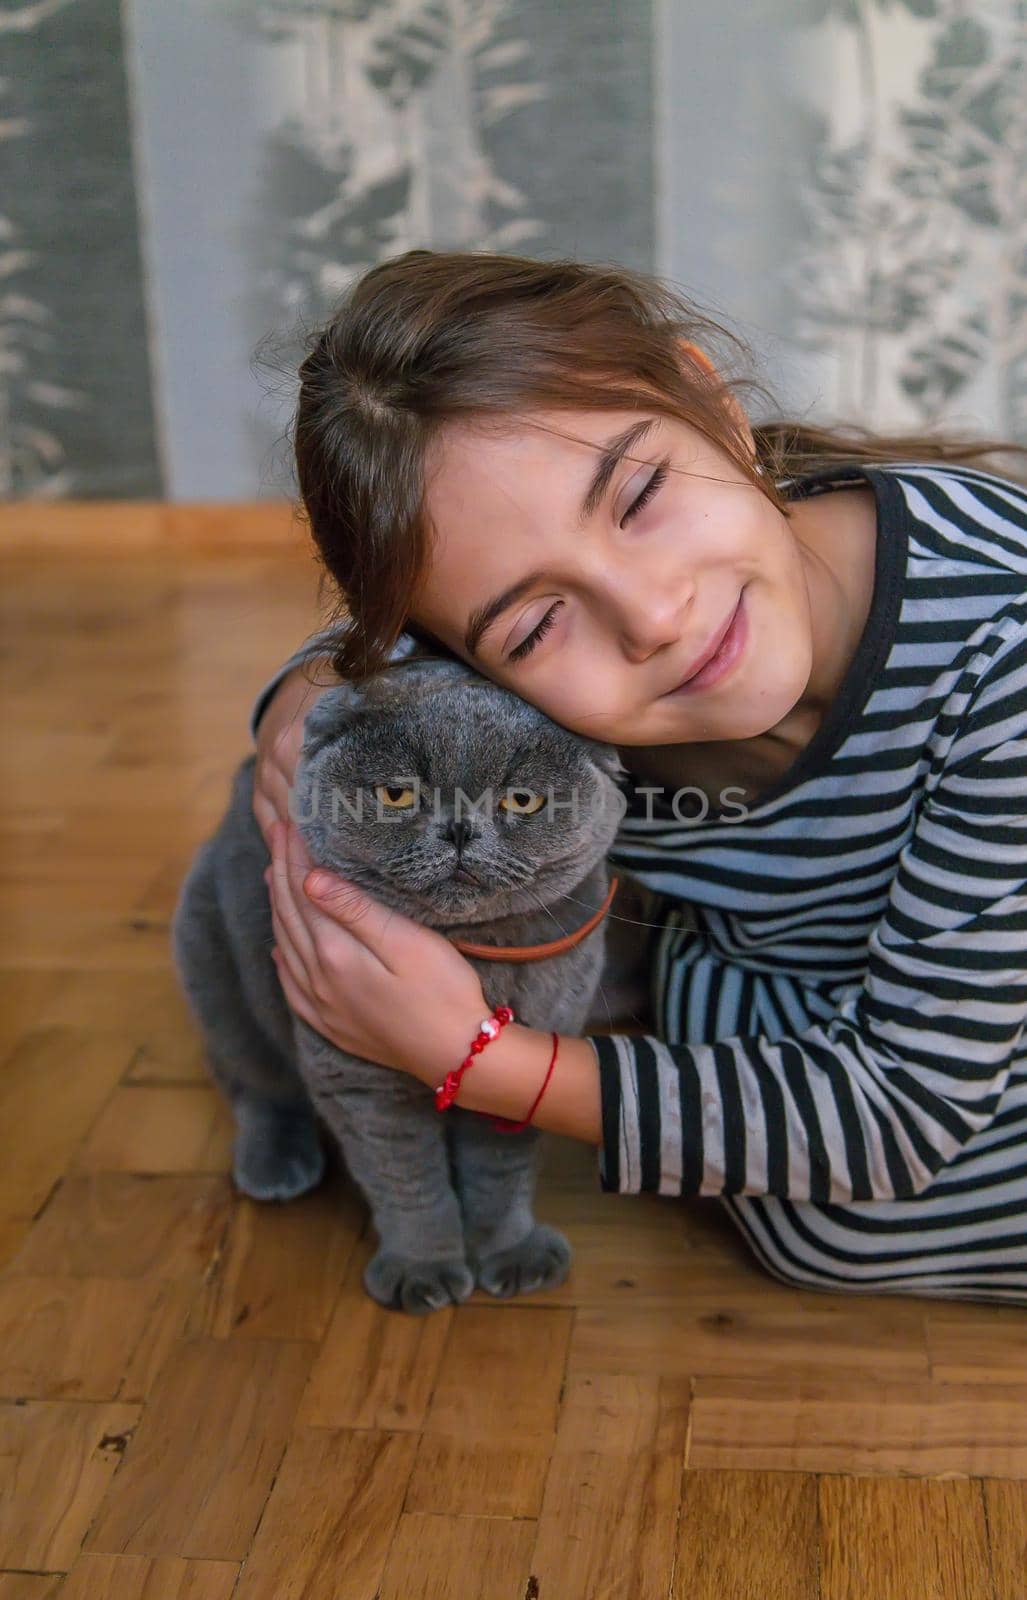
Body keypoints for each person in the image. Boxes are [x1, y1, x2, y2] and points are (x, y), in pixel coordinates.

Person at [251, 250, 1027, 1304]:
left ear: (712, 402)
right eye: (536, 622)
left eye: (641, 494)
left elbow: (895, 1123)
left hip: (969, 1008)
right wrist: (303, 695)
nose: (656, 616)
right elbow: (393, 643)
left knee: (840, 1226)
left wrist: (471, 1054)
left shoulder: (999, 652)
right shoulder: (514, 697)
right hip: (822, 984)